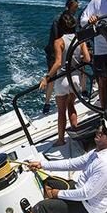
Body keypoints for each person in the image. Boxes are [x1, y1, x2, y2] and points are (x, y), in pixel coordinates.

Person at [41, 11, 90, 145]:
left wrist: (47, 77)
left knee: (61, 112)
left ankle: (61, 140)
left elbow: (57, 63)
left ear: (61, 27)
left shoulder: (59, 41)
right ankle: (77, 132)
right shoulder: (80, 40)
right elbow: (87, 58)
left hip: (62, 80)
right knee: (71, 106)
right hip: (76, 79)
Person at [43, 0, 79, 114]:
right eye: (74, 8)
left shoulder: (74, 19)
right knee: (52, 77)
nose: (75, 10)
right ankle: (47, 102)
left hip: (68, 49)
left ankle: (80, 92)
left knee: (78, 69)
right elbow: (55, 38)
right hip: (55, 51)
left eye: (76, 8)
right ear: (68, 7)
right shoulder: (58, 20)